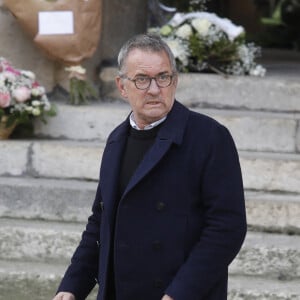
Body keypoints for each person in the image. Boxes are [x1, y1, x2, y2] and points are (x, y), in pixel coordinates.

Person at [53, 33, 247, 300]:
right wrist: (71, 287)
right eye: (142, 79)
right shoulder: (116, 140)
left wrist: (178, 294)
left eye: (163, 77)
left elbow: (227, 228)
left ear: (175, 81)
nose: (155, 89)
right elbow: (100, 222)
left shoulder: (210, 137)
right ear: (122, 86)